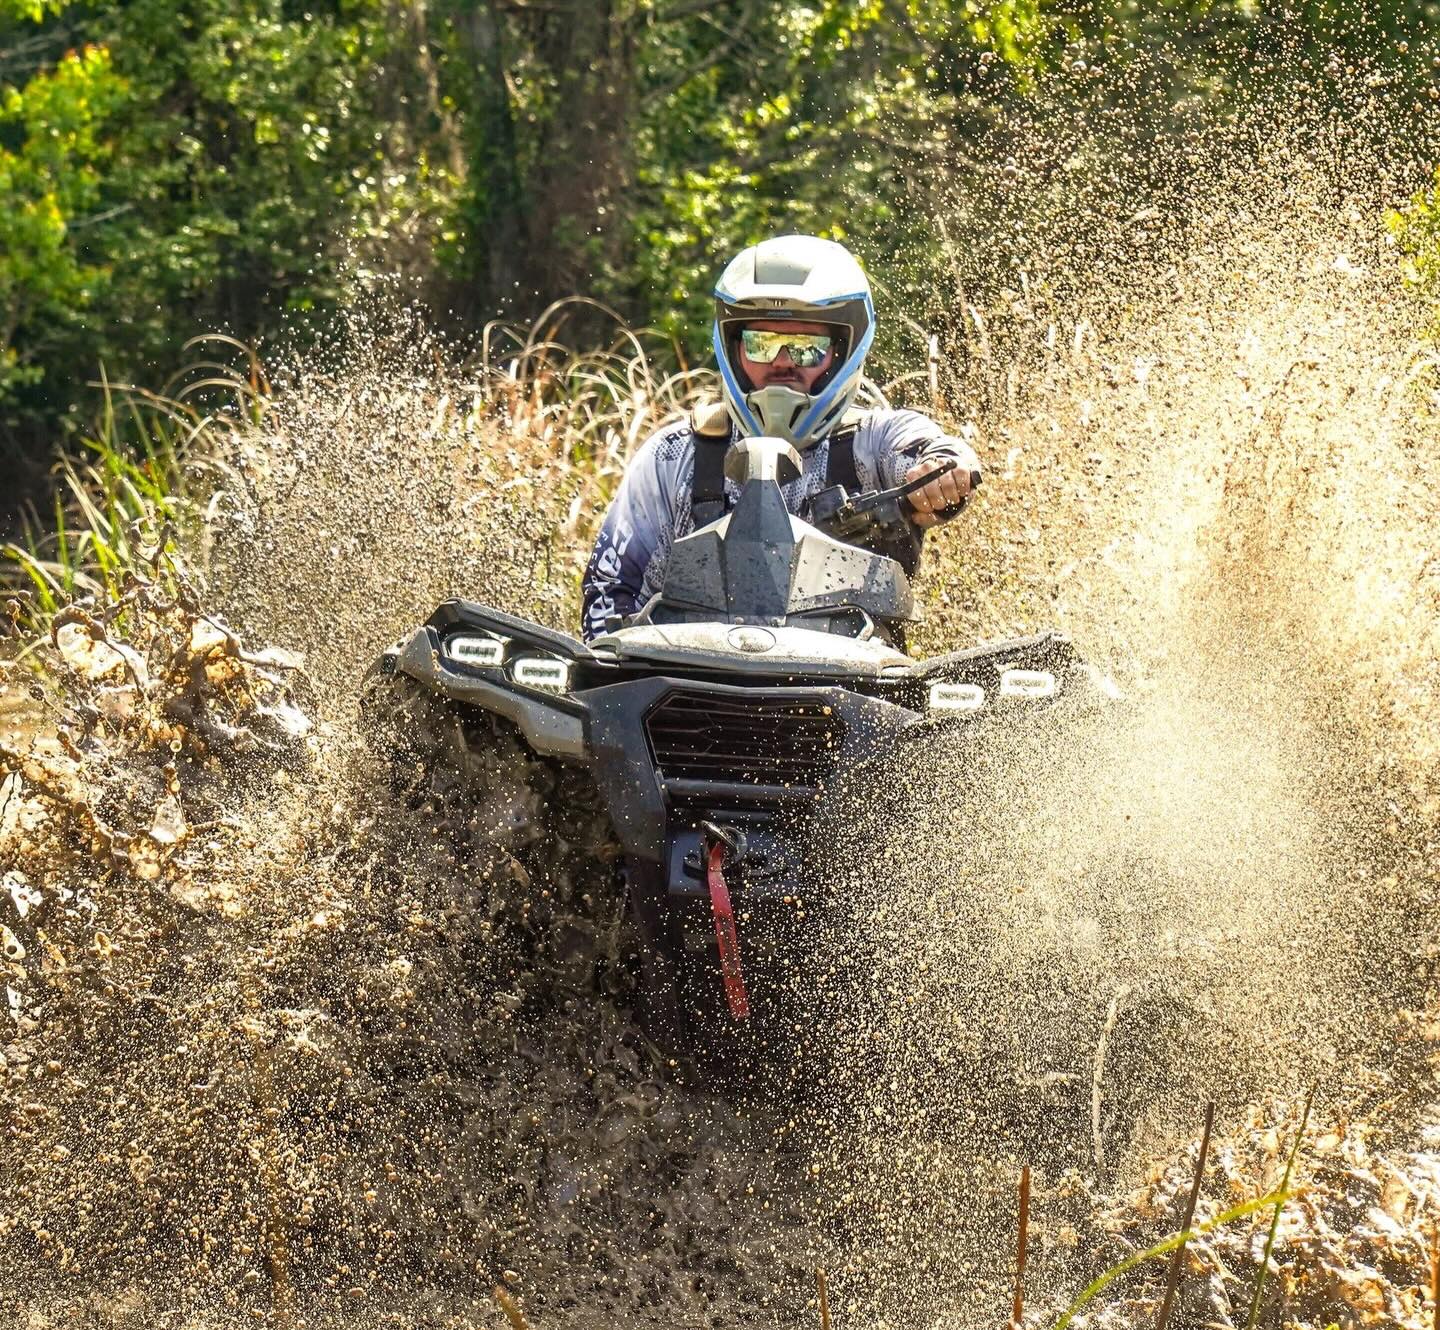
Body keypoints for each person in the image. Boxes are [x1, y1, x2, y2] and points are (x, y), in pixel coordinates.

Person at [580, 233, 980, 639]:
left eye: (807, 347)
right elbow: (608, 592)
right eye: (762, 344)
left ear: (844, 350)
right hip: (684, 687)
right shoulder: (672, 456)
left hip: (849, 690)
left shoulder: (875, 442)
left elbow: (930, 448)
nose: (783, 363)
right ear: (733, 346)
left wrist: (944, 471)